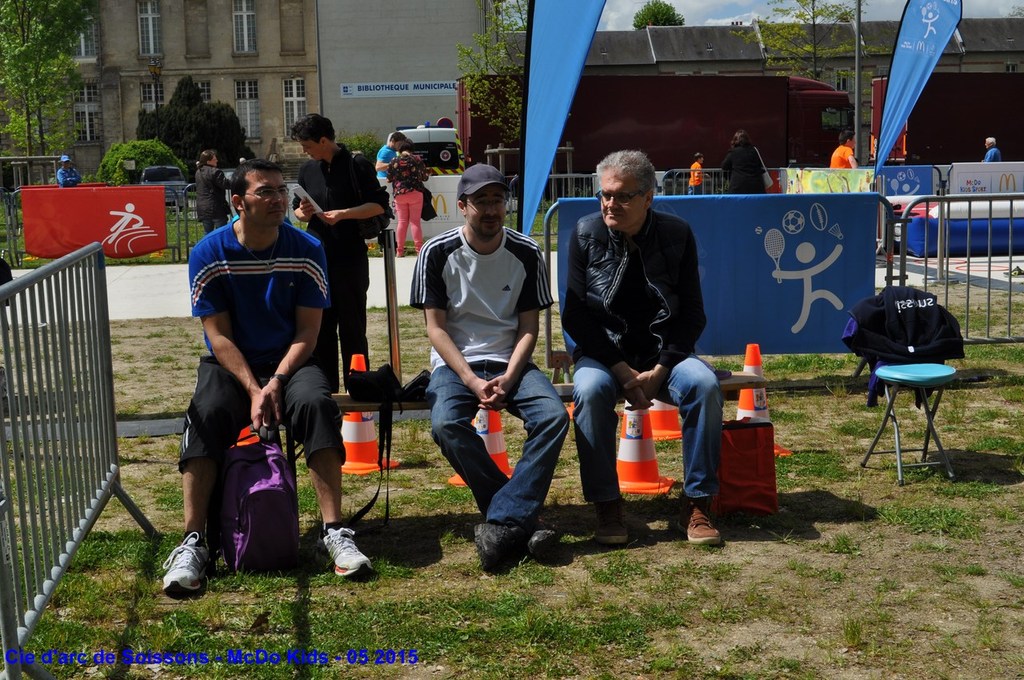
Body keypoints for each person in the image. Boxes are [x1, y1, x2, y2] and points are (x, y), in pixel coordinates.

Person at [161, 159, 372, 597]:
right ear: (238, 202)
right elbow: (218, 335)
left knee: (316, 404)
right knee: (206, 411)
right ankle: (193, 541)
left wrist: (275, 380)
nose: (279, 199)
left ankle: (334, 531)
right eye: (266, 192)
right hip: (230, 363)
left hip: (290, 362)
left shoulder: (307, 248)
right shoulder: (209, 252)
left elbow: (309, 332)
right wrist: (254, 389)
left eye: (281, 191)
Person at [410, 164, 569, 572]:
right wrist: (470, 379)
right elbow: (435, 329)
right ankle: (520, 518)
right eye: (481, 201)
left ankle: (503, 521)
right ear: (462, 206)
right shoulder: (436, 252)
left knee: (553, 417)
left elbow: (529, 328)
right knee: (446, 424)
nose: (492, 209)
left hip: (511, 361)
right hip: (455, 364)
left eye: (498, 200)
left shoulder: (526, 251)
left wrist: (510, 377)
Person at [562, 150, 724, 547]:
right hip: (603, 355)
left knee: (704, 386)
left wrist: (662, 369)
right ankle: (607, 504)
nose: (610, 204)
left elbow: (693, 314)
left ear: (648, 197)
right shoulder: (585, 233)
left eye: (622, 196)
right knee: (589, 391)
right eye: (604, 195)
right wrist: (620, 369)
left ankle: (697, 502)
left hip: (664, 356)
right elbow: (576, 317)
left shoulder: (676, 233)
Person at [290, 113, 389, 393]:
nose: (305, 151)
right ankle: (326, 391)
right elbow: (298, 211)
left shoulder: (357, 164)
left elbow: (379, 205)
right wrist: (303, 211)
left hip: (350, 257)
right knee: (320, 328)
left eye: (308, 145)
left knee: (352, 326)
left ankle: (358, 387)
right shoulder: (308, 169)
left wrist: (344, 214)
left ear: (324, 140)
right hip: (317, 259)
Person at [386, 140, 430, 256]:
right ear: (411, 149)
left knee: (402, 222)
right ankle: (419, 250)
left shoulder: (394, 160)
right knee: (415, 222)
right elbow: (424, 177)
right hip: (415, 193)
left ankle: (399, 251)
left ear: (400, 149)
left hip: (400, 194)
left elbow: (389, 178)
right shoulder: (417, 159)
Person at [195, 149, 232, 234]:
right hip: (216, 208)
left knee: (208, 234)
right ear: (208, 161)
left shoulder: (198, 172)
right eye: (214, 159)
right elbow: (225, 184)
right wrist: (238, 181)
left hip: (203, 209)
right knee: (222, 234)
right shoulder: (215, 172)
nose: (217, 160)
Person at [720, 129, 766, 195]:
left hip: (738, 186)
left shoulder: (733, 152)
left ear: (735, 140)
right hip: (756, 186)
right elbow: (759, 165)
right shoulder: (755, 150)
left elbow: (724, 166)